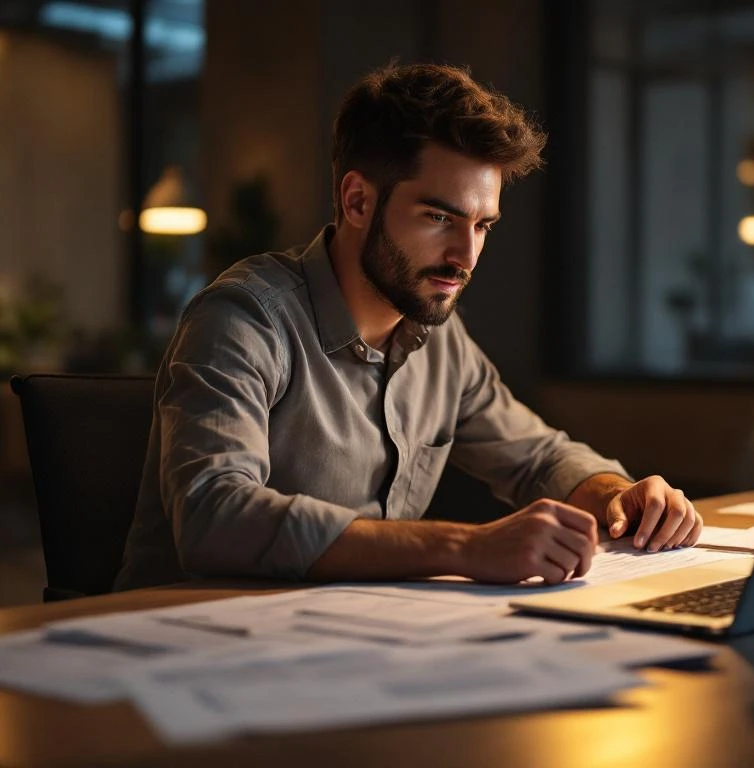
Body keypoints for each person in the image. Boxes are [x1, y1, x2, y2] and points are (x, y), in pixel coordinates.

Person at [114, 62, 703, 591]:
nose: (465, 257)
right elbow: (215, 517)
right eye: (439, 217)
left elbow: (537, 458)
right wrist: (465, 547)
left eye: (482, 226)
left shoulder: (440, 337)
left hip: (350, 647)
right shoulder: (243, 318)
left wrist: (616, 495)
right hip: (182, 653)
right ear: (357, 201)